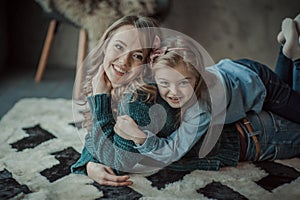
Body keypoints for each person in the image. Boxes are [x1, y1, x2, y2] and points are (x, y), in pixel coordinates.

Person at [72, 14, 300, 186]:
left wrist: (101, 100)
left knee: (286, 97)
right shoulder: (144, 80)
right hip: (240, 85)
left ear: (147, 62)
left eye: (138, 55)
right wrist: (90, 161)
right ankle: (288, 47)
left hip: (258, 122)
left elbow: (122, 159)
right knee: (287, 91)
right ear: (105, 44)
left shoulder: (142, 97)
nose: (124, 61)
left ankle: (295, 56)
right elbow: (99, 134)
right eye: (119, 46)